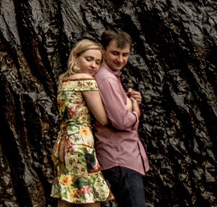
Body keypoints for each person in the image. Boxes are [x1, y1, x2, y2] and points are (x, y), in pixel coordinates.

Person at [50, 39, 113, 205]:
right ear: (75, 58)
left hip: (63, 144)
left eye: (98, 62)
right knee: (90, 196)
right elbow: (103, 118)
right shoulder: (86, 80)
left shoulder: (64, 81)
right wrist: (128, 104)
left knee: (67, 194)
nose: (93, 65)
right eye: (89, 59)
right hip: (80, 144)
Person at [94, 29, 149, 207]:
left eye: (125, 55)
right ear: (102, 50)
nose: (120, 59)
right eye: (115, 53)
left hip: (124, 157)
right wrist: (135, 111)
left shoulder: (110, 77)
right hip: (119, 156)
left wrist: (128, 99)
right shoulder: (106, 79)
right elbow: (121, 121)